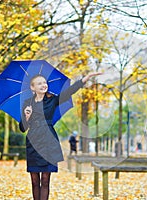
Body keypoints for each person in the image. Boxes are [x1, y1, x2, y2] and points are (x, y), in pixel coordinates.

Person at [19, 72, 102, 200]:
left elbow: (69, 92)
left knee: (46, 180)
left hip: (48, 141)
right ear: (32, 87)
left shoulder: (53, 99)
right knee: (35, 181)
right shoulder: (27, 103)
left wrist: (84, 79)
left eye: (44, 82)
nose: (43, 85)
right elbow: (22, 128)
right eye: (39, 83)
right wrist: (26, 117)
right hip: (33, 143)